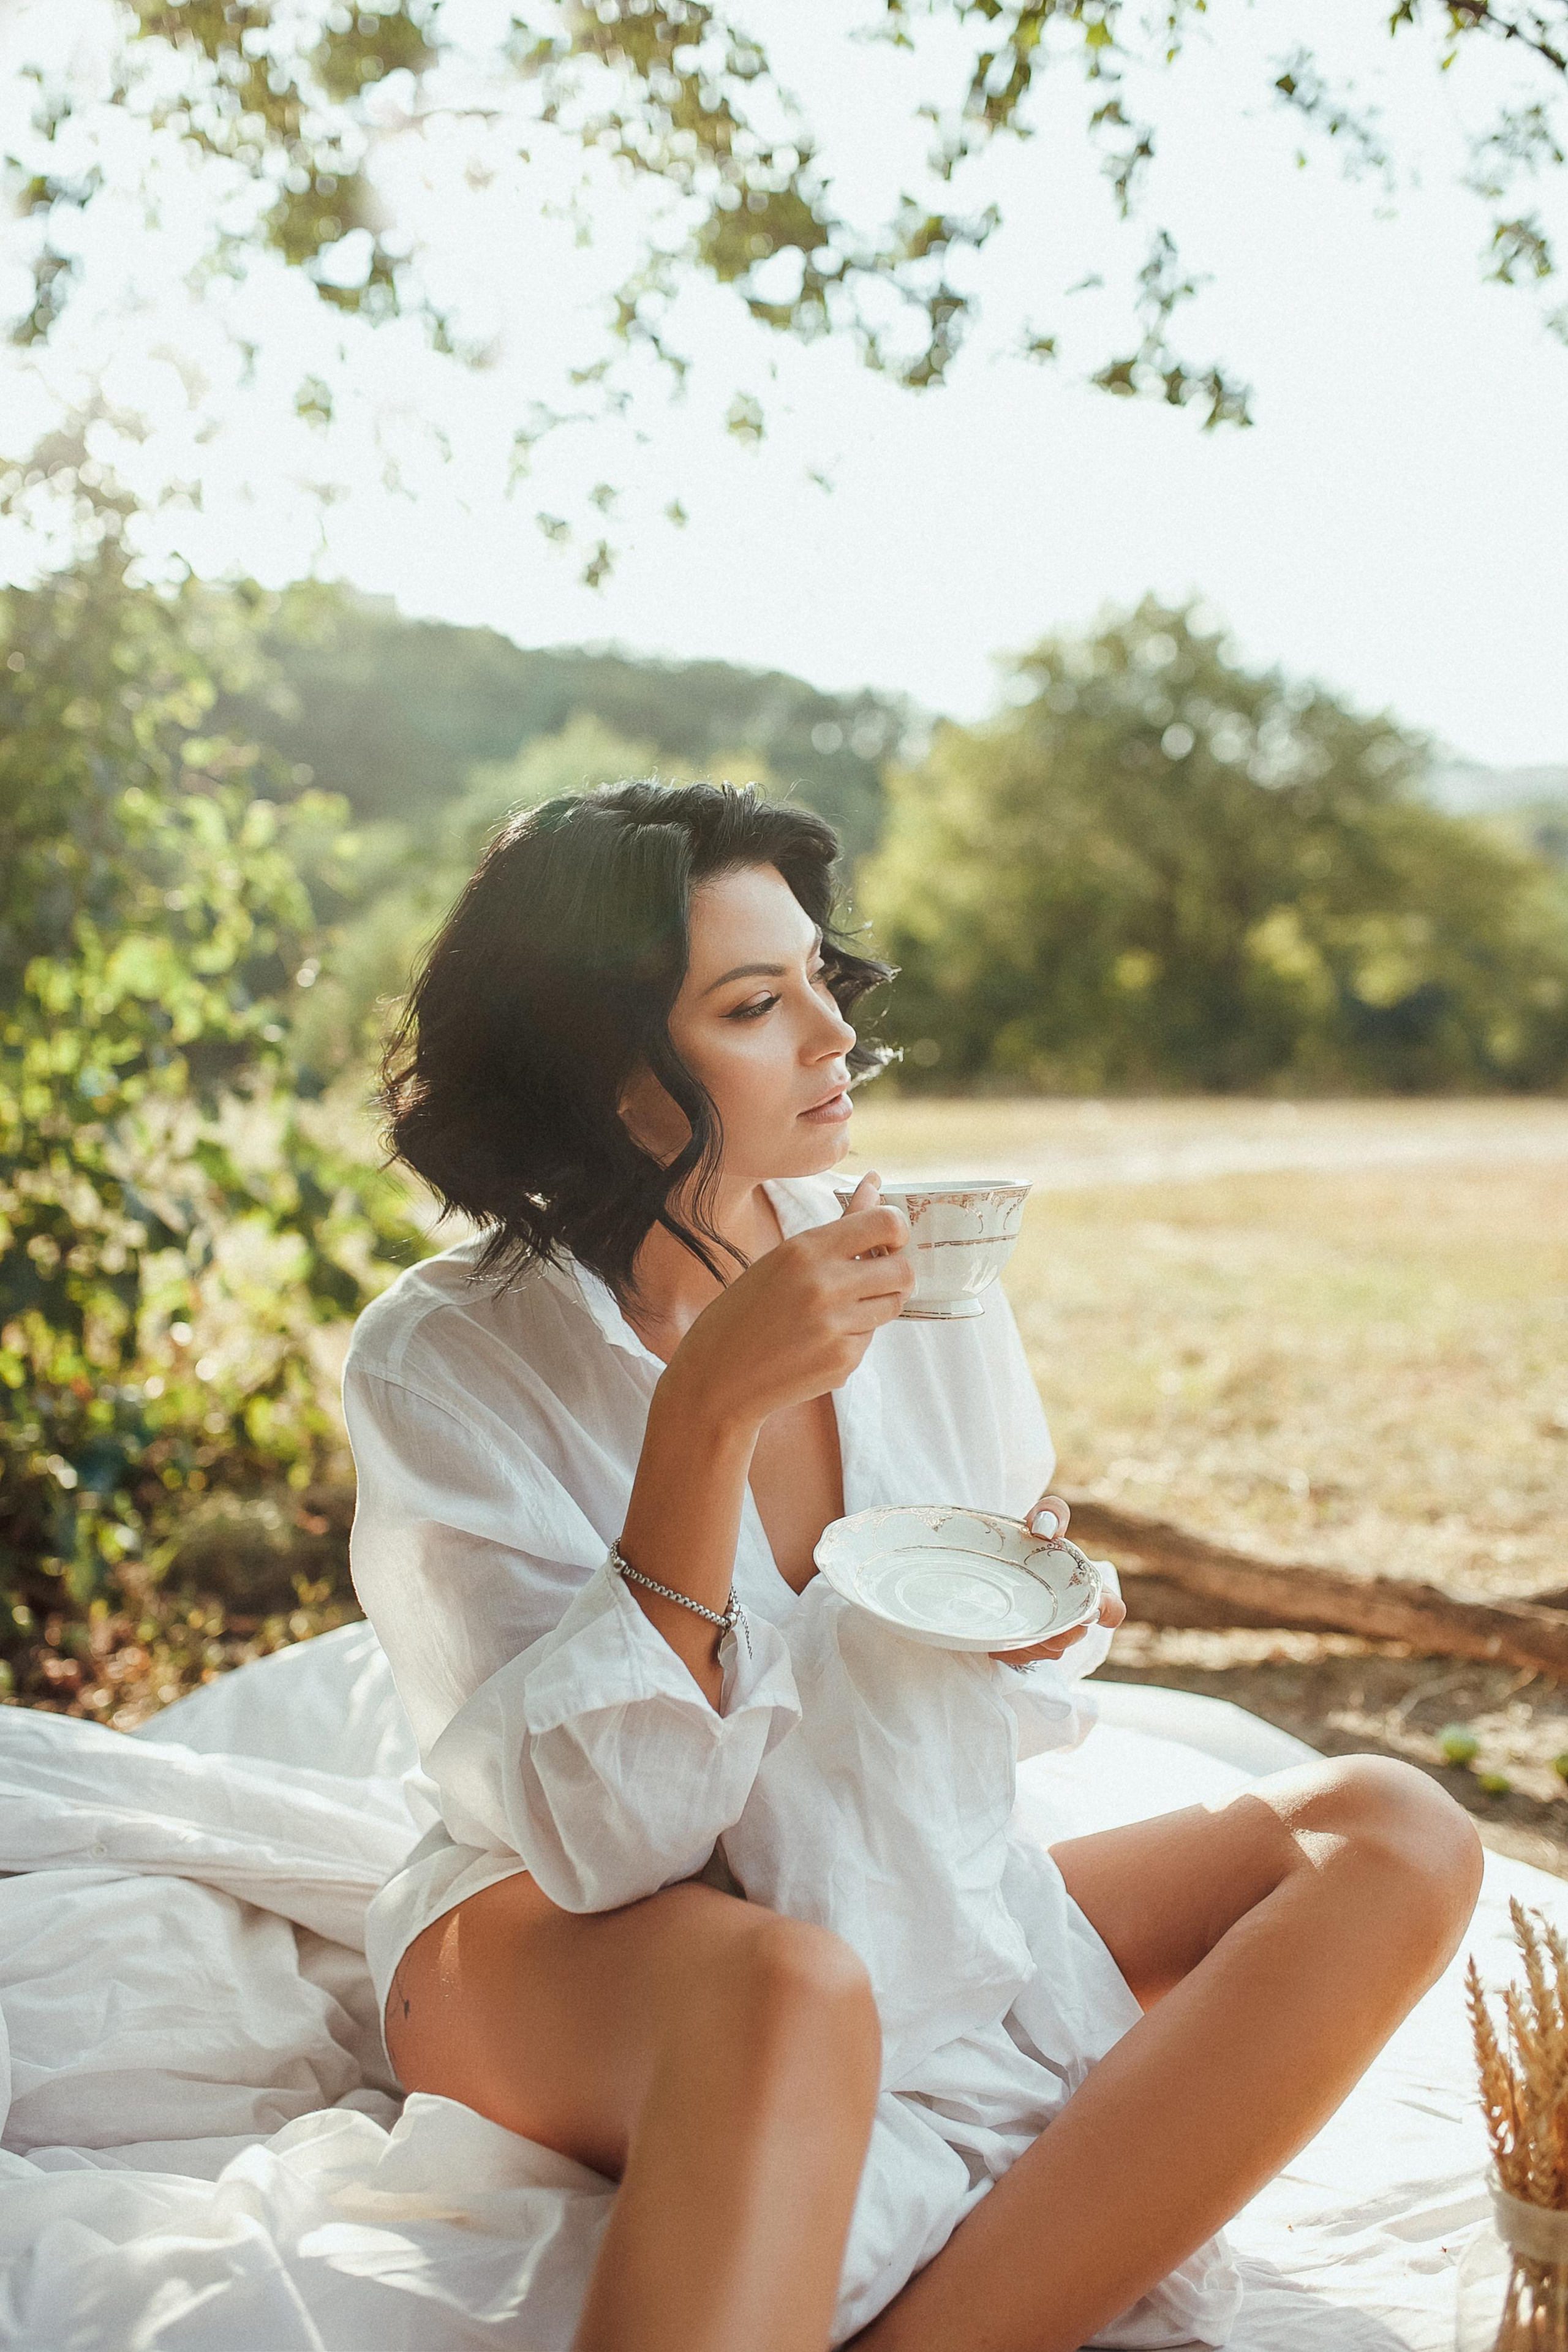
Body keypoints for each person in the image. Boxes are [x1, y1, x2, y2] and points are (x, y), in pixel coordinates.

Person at [342, 781, 1482, 2352]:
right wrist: (705, 1417)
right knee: (785, 1991)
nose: (831, 1035)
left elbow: (977, 1674)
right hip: (556, 1928)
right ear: (610, 1077)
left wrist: (1050, 1614)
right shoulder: (447, 1356)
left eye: (820, 978)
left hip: (869, 1883)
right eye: (754, 1004)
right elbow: (609, 1844)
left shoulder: (918, 1272)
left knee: (1391, 1831)